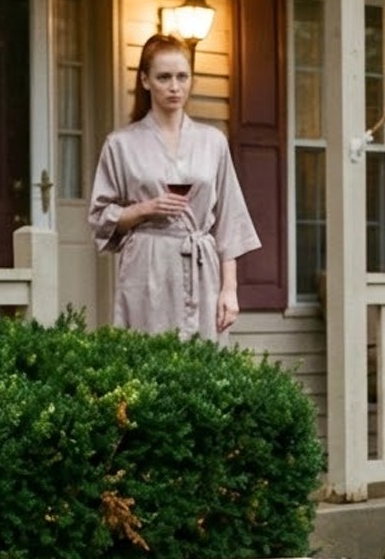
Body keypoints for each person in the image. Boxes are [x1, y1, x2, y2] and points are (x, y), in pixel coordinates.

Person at [88, 34, 260, 341]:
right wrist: (144, 209)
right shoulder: (121, 144)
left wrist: (229, 290)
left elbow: (229, 220)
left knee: (203, 367)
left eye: (182, 77)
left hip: (201, 266)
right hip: (147, 266)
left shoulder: (213, 142)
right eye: (164, 77)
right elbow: (100, 217)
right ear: (145, 80)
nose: (174, 86)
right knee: (146, 361)